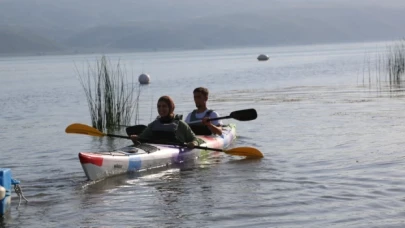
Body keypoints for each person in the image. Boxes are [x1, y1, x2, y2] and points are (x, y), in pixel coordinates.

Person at [130, 96, 199, 149]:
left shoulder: (181, 124)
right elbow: (141, 140)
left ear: (171, 108)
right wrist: (135, 139)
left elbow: (195, 139)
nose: (161, 109)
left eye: (164, 106)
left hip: (173, 153)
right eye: (159, 106)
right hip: (155, 151)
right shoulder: (153, 124)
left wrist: (194, 143)